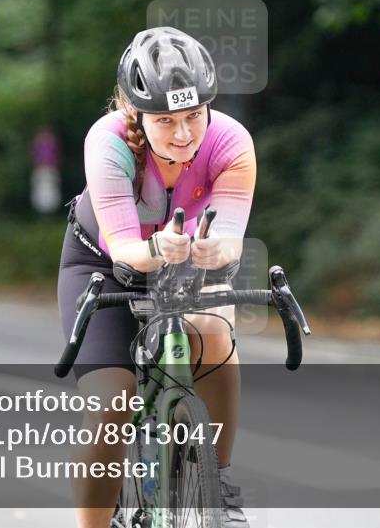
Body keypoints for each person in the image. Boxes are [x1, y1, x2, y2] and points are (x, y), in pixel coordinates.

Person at [58, 26, 257, 528]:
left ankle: (219, 487)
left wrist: (216, 250)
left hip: (188, 260)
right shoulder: (108, 142)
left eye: (194, 115)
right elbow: (124, 248)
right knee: (112, 401)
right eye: (166, 120)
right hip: (104, 264)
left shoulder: (231, 142)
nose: (184, 133)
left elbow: (231, 239)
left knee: (215, 332)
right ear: (136, 114)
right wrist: (151, 248)